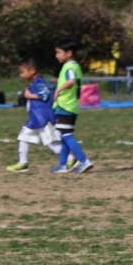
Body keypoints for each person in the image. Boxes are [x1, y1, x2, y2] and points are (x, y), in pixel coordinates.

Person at [6, 59, 63, 172]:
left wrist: (28, 95)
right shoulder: (35, 82)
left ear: (32, 70)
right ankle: (23, 163)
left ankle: (71, 159)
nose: (21, 75)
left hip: (43, 119)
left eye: (23, 72)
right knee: (23, 137)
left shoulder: (39, 82)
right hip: (35, 119)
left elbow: (45, 95)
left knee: (53, 145)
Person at [51, 38, 93, 174]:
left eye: (58, 52)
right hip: (71, 106)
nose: (56, 55)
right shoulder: (76, 66)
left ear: (69, 53)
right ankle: (63, 164)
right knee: (64, 134)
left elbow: (71, 81)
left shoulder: (69, 67)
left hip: (65, 106)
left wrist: (58, 90)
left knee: (66, 135)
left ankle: (84, 160)